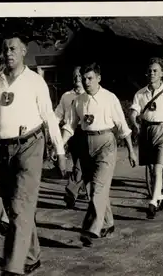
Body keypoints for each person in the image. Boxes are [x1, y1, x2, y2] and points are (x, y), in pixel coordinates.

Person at [0, 35, 67, 276]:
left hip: (30, 145)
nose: (8, 52)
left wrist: (60, 152)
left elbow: (49, 118)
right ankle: (31, 257)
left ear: (22, 52)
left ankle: (11, 267)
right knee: (13, 207)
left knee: (20, 205)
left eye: (13, 49)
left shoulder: (35, 81)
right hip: (2, 149)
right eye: (5, 49)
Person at [61, 62, 137, 247]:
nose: (86, 82)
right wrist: (59, 146)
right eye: (84, 79)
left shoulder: (110, 98)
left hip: (106, 144)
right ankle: (108, 223)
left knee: (98, 188)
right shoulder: (78, 101)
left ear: (98, 79)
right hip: (85, 145)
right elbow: (69, 126)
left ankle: (91, 228)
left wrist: (131, 151)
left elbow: (122, 126)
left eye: (90, 78)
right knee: (91, 188)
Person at [129, 58, 163, 219]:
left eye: (155, 71)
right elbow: (134, 111)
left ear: (162, 74)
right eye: (150, 71)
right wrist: (134, 122)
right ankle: (159, 197)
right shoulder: (140, 93)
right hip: (146, 131)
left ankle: (152, 203)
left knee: (158, 168)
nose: (152, 74)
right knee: (151, 169)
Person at [53, 66, 88, 209]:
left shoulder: (89, 95)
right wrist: (51, 129)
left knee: (81, 163)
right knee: (78, 163)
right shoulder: (66, 96)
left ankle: (71, 191)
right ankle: (83, 188)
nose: (77, 79)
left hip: (86, 132)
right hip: (70, 134)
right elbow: (57, 115)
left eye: (80, 76)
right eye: (75, 76)